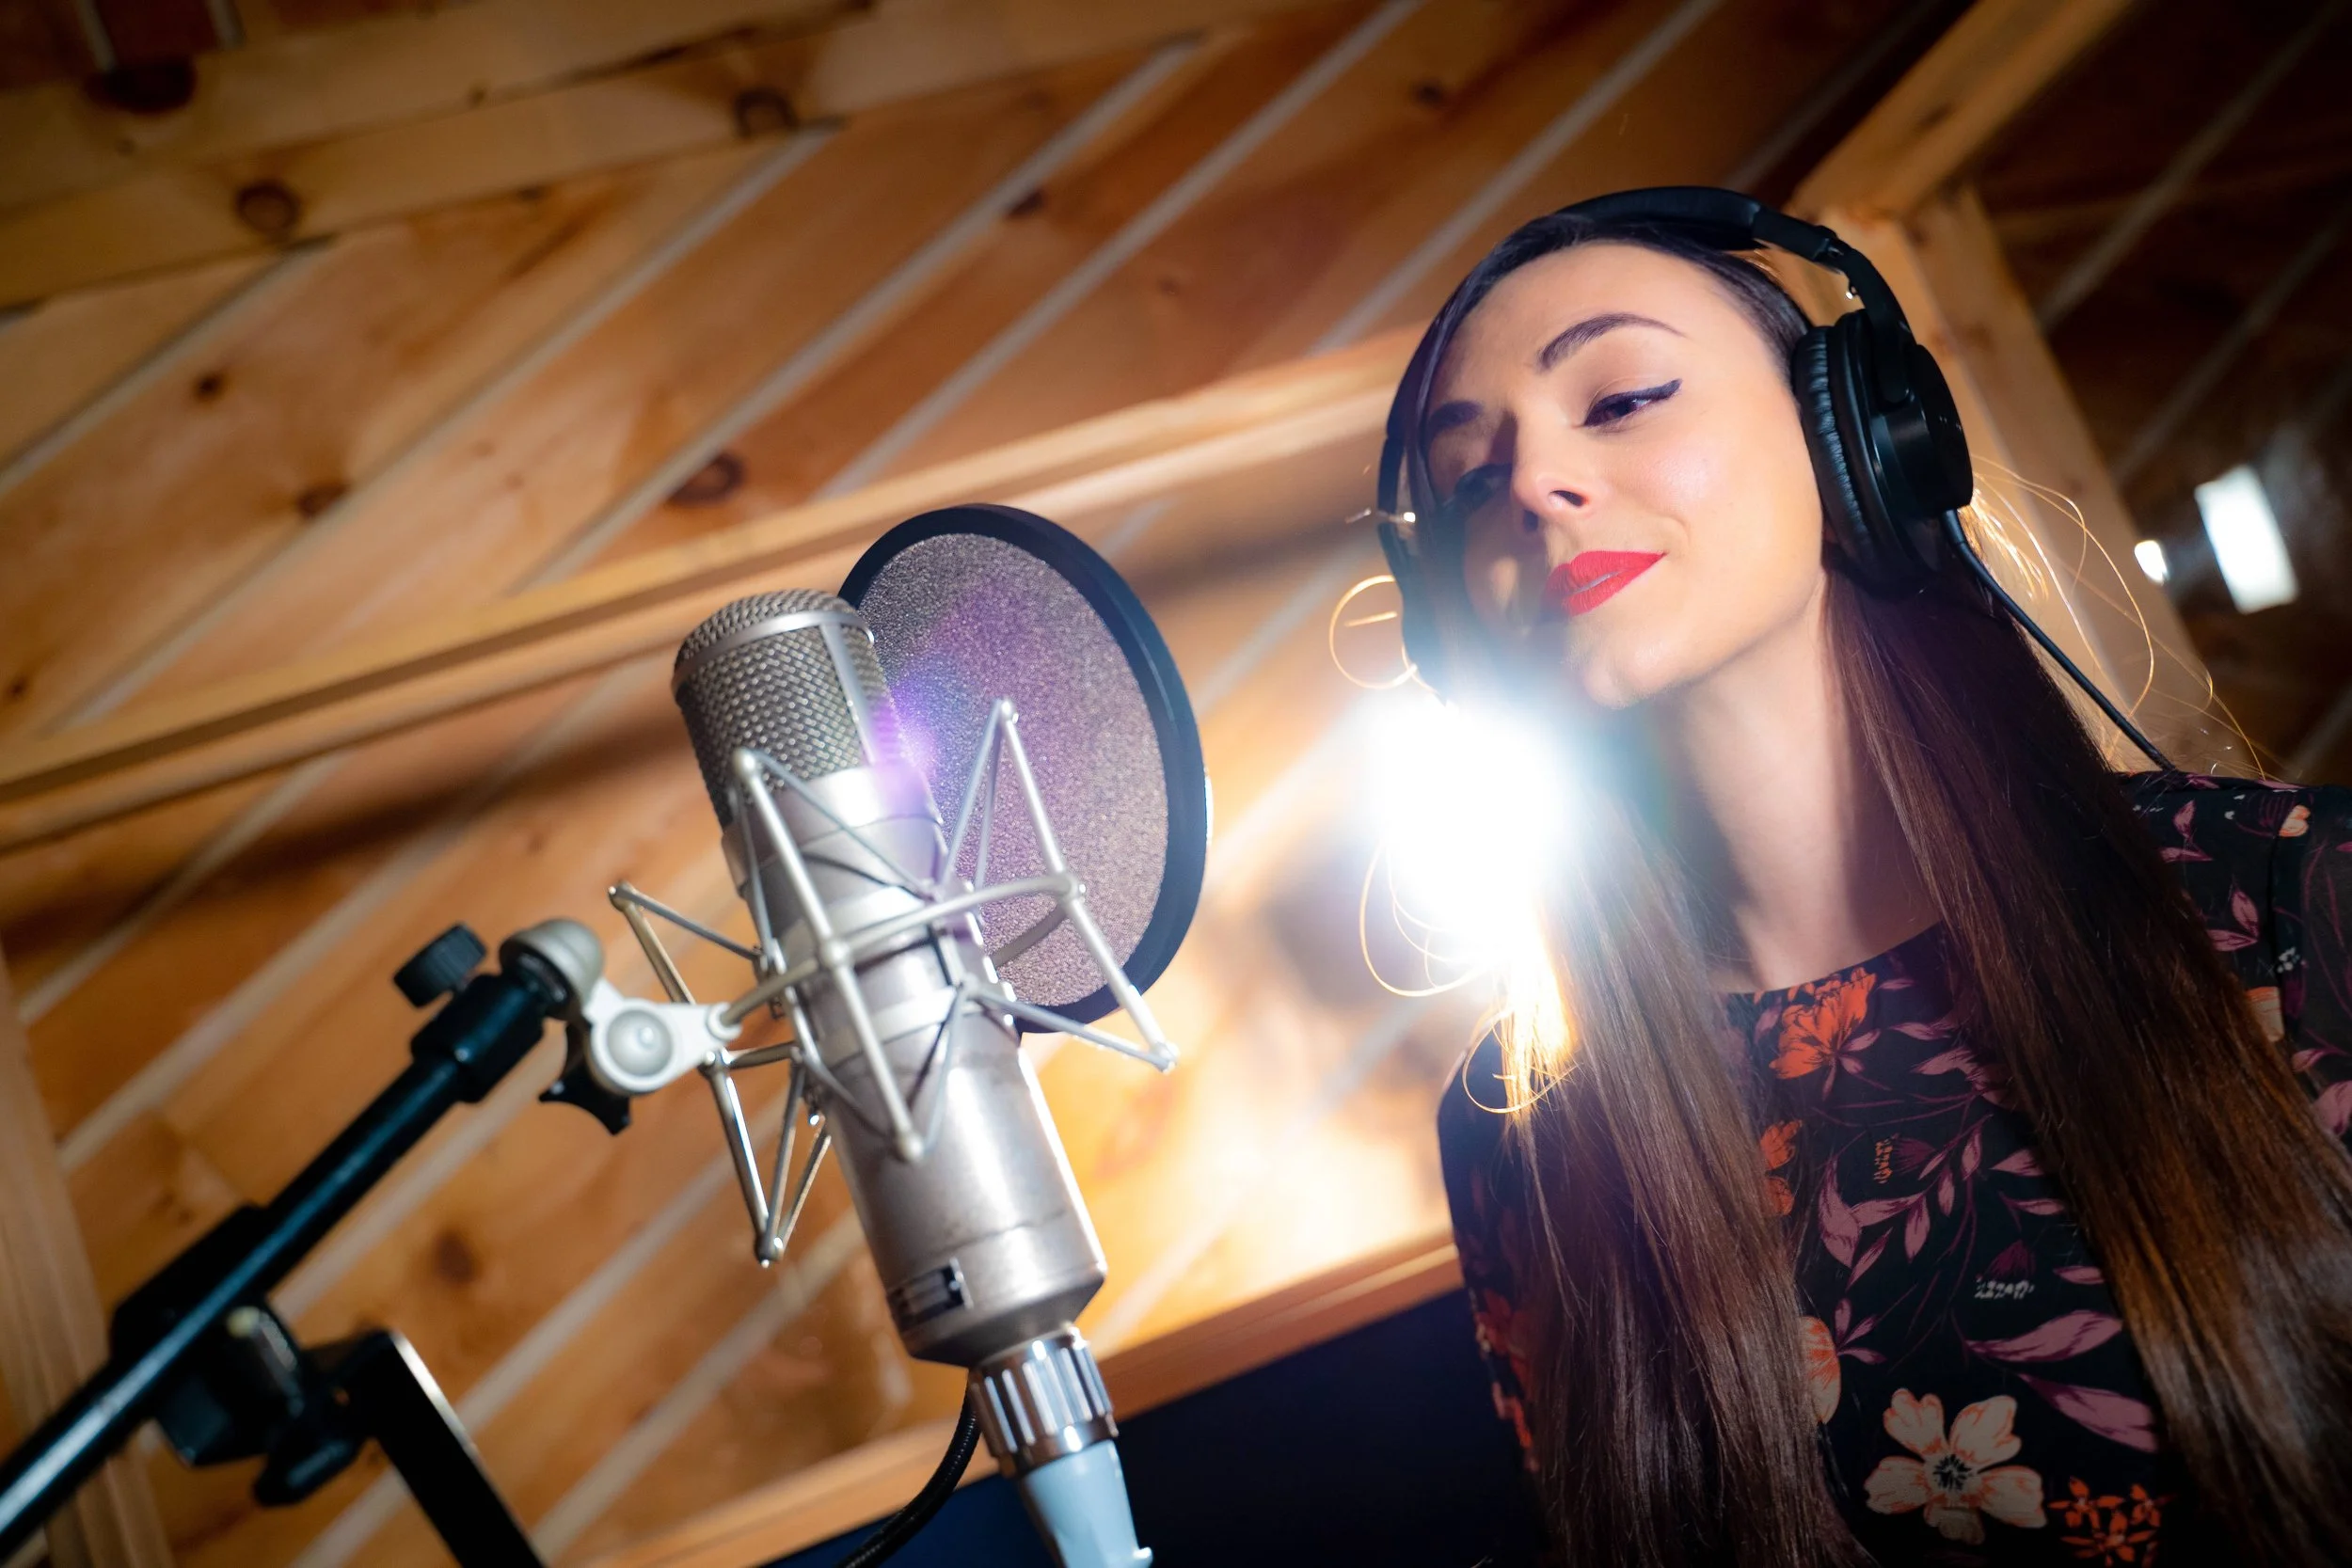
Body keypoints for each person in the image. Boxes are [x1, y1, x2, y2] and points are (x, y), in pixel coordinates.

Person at [1375, 194, 2352, 1566]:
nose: (1534, 481)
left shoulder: (2289, 892)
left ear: (1860, 437)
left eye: (1624, 396)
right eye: (1471, 478)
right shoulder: (1524, 1145)